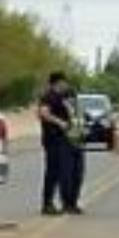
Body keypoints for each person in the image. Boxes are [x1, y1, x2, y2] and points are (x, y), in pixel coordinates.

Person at [37, 72, 82, 216]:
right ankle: (47, 203)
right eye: (63, 82)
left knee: (74, 171)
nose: (66, 85)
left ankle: (70, 203)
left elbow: (75, 111)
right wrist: (59, 122)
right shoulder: (48, 96)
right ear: (56, 83)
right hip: (54, 139)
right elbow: (43, 113)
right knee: (54, 172)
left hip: (71, 138)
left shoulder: (69, 95)